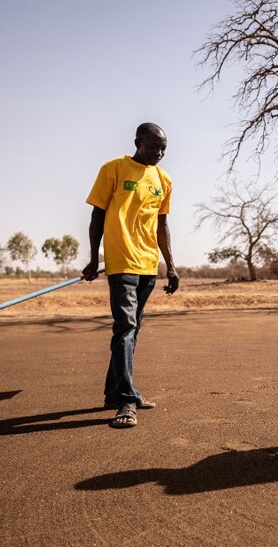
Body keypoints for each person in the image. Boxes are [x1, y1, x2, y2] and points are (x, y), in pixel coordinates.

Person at [82, 122, 180, 429]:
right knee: (125, 327)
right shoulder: (113, 169)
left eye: (163, 148)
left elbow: (162, 225)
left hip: (148, 265)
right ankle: (126, 399)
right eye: (154, 147)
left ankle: (115, 393)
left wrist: (171, 265)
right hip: (121, 262)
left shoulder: (163, 180)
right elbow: (97, 214)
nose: (159, 153)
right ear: (137, 142)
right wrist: (92, 257)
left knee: (131, 332)